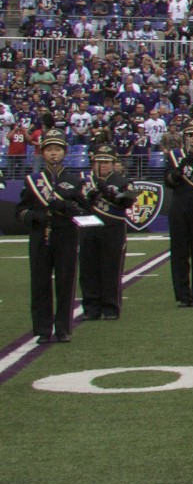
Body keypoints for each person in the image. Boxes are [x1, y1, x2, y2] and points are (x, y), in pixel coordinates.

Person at [16, 127, 81, 344]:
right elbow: (20, 211)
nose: (54, 154)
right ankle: (43, 330)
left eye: (58, 149)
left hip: (65, 235)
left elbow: (84, 210)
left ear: (64, 152)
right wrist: (33, 216)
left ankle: (63, 329)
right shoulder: (32, 180)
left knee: (65, 281)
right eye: (49, 150)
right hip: (40, 236)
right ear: (43, 153)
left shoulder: (75, 179)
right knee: (40, 283)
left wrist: (64, 206)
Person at [77, 147, 133, 320]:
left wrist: (107, 191)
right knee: (88, 270)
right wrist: (86, 198)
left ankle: (110, 308)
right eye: (98, 162)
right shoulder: (84, 181)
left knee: (111, 268)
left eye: (106, 162)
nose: (102, 165)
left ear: (114, 163)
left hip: (112, 229)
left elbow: (127, 201)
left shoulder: (122, 181)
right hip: (89, 228)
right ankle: (91, 308)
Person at [161, 120, 193, 308]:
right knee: (179, 252)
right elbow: (168, 181)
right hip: (179, 206)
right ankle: (182, 295)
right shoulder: (174, 156)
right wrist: (179, 169)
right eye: (190, 135)